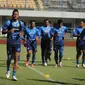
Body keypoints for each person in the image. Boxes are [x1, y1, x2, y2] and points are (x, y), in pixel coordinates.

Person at [2, 9, 24, 81]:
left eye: (16, 14)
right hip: (10, 43)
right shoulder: (8, 22)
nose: (15, 15)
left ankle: (14, 75)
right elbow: (3, 32)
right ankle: (8, 69)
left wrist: (21, 34)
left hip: (17, 43)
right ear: (12, 15)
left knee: (16, 59)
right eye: (14, 14)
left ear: (18, 15)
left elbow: (21, 32)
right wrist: (9, 31)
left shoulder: (21, 23)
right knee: (9, 59)